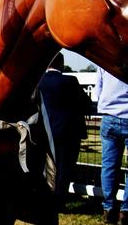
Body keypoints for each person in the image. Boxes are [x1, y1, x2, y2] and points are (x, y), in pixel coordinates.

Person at [37, 52, 90, 208]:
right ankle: (59, 200)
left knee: (44, 166)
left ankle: (44, 197)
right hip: (68, 132)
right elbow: (85, 103)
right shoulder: (70, 81)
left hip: (45, 132)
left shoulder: (39, 82)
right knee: (64, 167)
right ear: (61, 64)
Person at [96, 67, 128, 224]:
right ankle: (126, 210)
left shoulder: (104, 60)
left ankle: (109, 208)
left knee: (108, 166)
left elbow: (97, 92)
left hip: (109, 116)